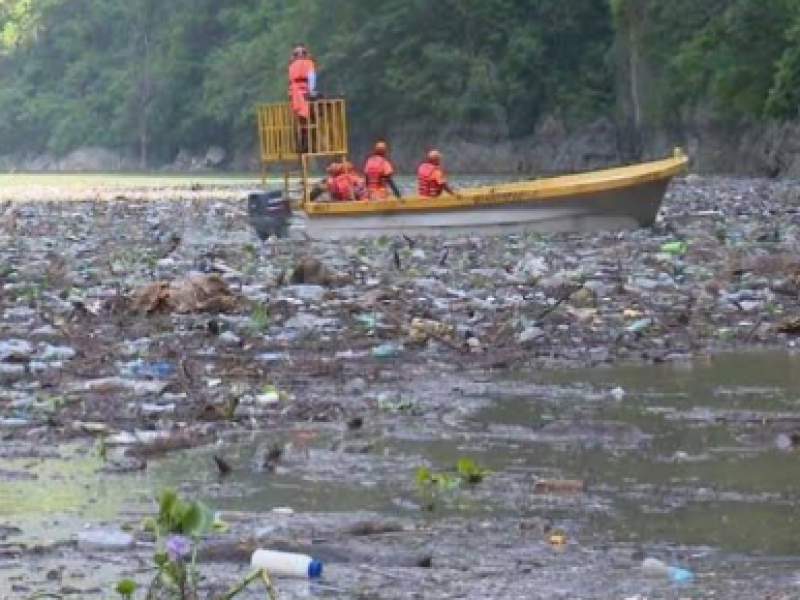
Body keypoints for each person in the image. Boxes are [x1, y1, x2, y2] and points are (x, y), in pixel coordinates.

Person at [287, 44, 317, 153]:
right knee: (312, 119)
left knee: (298, 121)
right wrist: (312, 91)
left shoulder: (291, 65)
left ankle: (300, 145)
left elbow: (290, 81)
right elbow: (312, 79)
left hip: (293, 95)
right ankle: (308, 145)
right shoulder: (308, 63)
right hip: (304, 94)